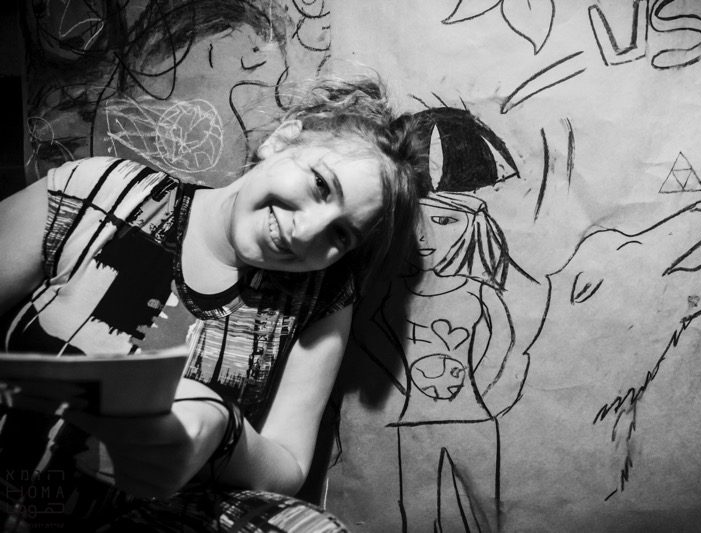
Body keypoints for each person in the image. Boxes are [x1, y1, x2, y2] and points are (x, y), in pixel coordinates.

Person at [0, 76, 425, 532]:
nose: (305, 233)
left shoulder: (321, 298)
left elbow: (288, 466)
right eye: (321, 184)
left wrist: (221, 427)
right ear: (282, 140)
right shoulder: (102, 193)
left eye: (340, 234)